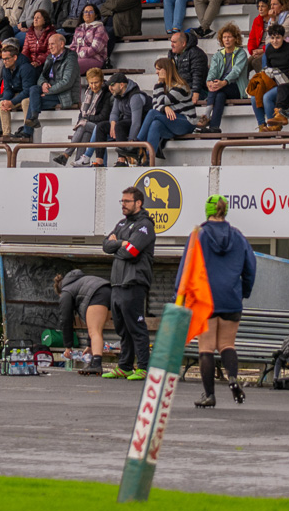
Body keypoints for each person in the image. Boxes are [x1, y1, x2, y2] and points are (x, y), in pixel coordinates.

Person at [185, 195, 257, 408]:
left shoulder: (198, 236)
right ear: (225, 211)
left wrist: (178, 298)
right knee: (227, 344)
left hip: (205, 298)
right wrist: (243, 291)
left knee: (206, 347)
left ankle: (209, 395)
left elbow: (187, 268)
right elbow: (250, 268)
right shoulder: (238, 236)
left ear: (207, 211)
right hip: (231, 297)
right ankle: (233, 379)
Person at [101, 185, 156, 381]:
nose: (123, 205)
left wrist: (119, 244)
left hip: (134, 282)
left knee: (136, 326)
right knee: (122, 328)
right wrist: (120, 243)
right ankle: (125, 366)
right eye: (121, 201)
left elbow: (131, 252)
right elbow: (105, 245)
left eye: (127, 201)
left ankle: (143, 367)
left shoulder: (145, 225)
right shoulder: (122, 224)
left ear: (138, 203)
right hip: (117, 283)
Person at [135, 57, 198, 159]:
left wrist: (159, 85)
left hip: (186, 122)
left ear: (167, 70)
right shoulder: (162, 86)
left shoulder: (180, 87)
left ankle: (137, 144)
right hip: (172, 122)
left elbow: (161, 102)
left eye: (159, 69)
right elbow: (154, 104)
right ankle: (148, 159)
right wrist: (165, 108)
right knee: (156, 124)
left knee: (152, 113)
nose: (156, 72)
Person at [54, 267, 111, 370]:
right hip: (109, 291)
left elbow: (66, 320)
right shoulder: (80, 283)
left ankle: (97, 364)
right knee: (96, 329)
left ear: (60, 293)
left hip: (97, 294)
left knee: (95, 331)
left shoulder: (66, 292)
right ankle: (94, 360)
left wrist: (68, 347)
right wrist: (89, 346)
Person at [198, 22, 249, 133]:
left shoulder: (241, 53)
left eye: (229, 37)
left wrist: (224, 82)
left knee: (218, 87)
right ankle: (214, 127)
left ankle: (207, 114)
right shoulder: (218, 54)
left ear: (235, 39)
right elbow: (213, 71)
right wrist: (209, 82)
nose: (226, 40)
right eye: (224, 37)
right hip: (221, 87)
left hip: (236, 87)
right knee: (220, 96)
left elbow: (236, 71)